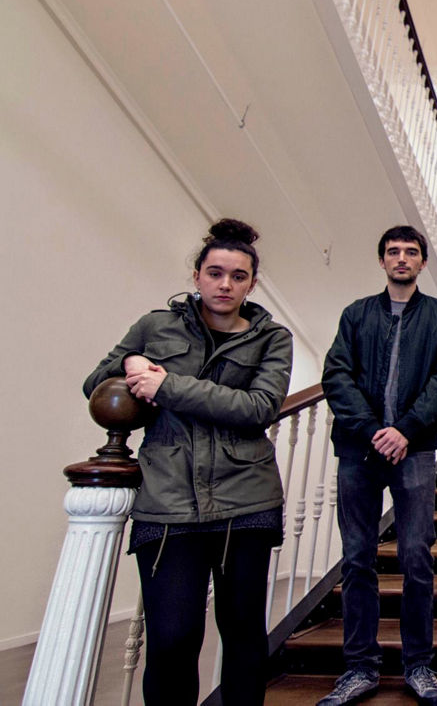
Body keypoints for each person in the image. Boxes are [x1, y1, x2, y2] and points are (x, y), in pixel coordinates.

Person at [84, 219, 293, 705]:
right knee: (172, 638)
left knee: (242, 633)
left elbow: (259, 408)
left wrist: (168, 386)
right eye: (215, 273)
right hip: (168, 500)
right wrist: (130, 363)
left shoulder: (272, 338)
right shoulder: (154, 326)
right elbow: (95, 383)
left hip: (246, 499)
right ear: (197, 275)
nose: (225, 284)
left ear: (252, 284)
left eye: (238, 276)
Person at [319, 226, 437, 705]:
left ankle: (419, 665)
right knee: (357, 558)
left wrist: (405, 430)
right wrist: (371, 431)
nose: (402, 258)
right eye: (393, 251)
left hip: (413, 450)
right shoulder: (356, 314)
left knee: (416, 557)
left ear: (422, 262)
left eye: (411, 252)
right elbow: (336, 375)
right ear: (381, 260)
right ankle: (360, 668)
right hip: (358, 450)